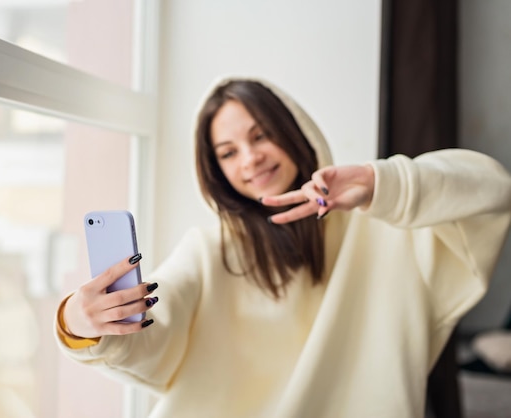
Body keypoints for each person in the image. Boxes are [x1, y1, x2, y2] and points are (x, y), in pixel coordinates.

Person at [55, 77, 511, 417]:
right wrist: (80, 323)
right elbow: (156, 329)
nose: (250, 159)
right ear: (215, 170)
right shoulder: (212, 249)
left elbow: (490, 191)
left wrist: (383, 183)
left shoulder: (386, 225)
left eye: (259, 135)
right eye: (228, 152)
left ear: (292, 130)